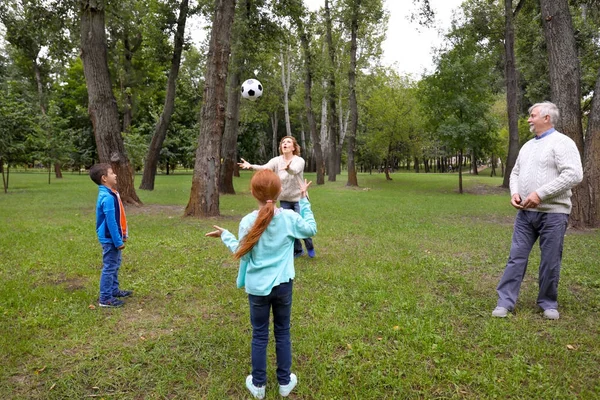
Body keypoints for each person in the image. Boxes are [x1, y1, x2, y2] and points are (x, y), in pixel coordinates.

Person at [205, 169, 317, 399]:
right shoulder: (288, 218)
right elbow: (310, 229)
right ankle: (285, 383)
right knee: (283, 332)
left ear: (253, 193)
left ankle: (258, 385)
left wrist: (226, 235)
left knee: (259, 335)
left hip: (257, 290)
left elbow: (243, 255)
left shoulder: (247, 221)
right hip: (284, 286)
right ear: (279, 192)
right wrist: (304, 199)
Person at [492, 102, 583, 320]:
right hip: (525, 214)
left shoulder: (562, 143)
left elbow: (574, 175)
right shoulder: (527, 146)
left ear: (547, 118)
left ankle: (548, 303)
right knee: (516, 257)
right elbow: (515, 173)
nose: (529, 120)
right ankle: (505, 302)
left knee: (550, 260)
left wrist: (540, 194)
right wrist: (515, 192)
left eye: (532, 116)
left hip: (554, 214)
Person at [238, 135, 316, 258]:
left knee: (302, 223)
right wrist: (251, 166)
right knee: (290, 226)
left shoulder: (299, 160)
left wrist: (288, 168)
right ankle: (298, 250)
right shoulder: (276, 160)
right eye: (283, 142)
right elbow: (265, 168)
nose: (285, 144)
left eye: (288, 142)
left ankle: (309, 246)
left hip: (299, 198)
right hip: (284, 198)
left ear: (294, 147)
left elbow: (295, 170)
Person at [89, 163, 133, 308]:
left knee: (115, 264)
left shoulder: (110, 193)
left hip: (112, 237)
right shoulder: (107, 197)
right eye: (112, 173)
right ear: (104, 178)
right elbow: (111, 222)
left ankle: (113, 290)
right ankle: (105, 298)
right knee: (110, 266)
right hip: (110, 239)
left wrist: (122, 235)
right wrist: (117, 240)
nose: (115, 175)